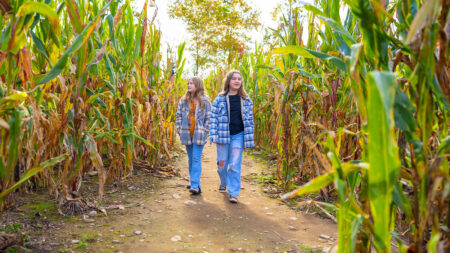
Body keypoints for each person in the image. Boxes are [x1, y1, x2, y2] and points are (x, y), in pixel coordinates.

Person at [209, 70, 255, 203]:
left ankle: (234, 192)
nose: (237, 81)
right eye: (234, 78)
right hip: (223, 136)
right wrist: (213, 135)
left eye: (239, 79)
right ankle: (223, 181)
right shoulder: (220, 99)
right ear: (228, 81)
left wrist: (249, 137)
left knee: (235, 164)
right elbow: (213, 119)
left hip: (238, 136)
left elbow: (250, 120)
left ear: (241, 83)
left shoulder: (246, 100)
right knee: (222, 163)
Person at [176, 77, 211, 195]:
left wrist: (205, 130)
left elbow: (209, 118)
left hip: (199, 135)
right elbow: (178, 116)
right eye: (188, 83)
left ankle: (195, 185)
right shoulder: (183, 101)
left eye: (192, 83)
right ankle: (194, 182)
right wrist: (180, 129)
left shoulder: (205, 102)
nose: (189, 85)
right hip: (187, 134)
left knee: (196, 158)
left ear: (198, 85)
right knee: (191, 159)